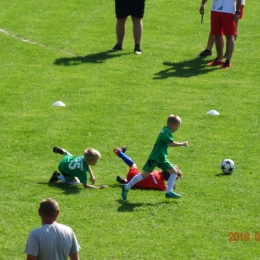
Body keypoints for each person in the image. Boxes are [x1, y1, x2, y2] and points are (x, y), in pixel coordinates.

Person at [121, 114, 188, 200]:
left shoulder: (165, 130)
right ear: (174, 125)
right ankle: (126, 187)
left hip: (161, 158)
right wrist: (182, 144)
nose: (177, 129)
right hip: (155, 157)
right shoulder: (167, 132)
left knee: (174, 172)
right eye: (178, 127)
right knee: (144, 175)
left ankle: (169, 192)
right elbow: (170, 143)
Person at [114, 146, 183, 190]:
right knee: (143, 183)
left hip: (133, 178)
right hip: (135, 186)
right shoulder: (161, 185)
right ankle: (125, 181)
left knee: (133, 164)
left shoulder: (155, 172)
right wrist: (172, 186)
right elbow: (166, 188)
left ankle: (119, 152)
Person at [199, 0, 242, 69]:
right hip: (215, 9)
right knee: (217, 34)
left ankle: (227, 61)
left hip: (228, 11)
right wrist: (203, 5)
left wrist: (237, 12)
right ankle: (219, 59)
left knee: (229, 35)